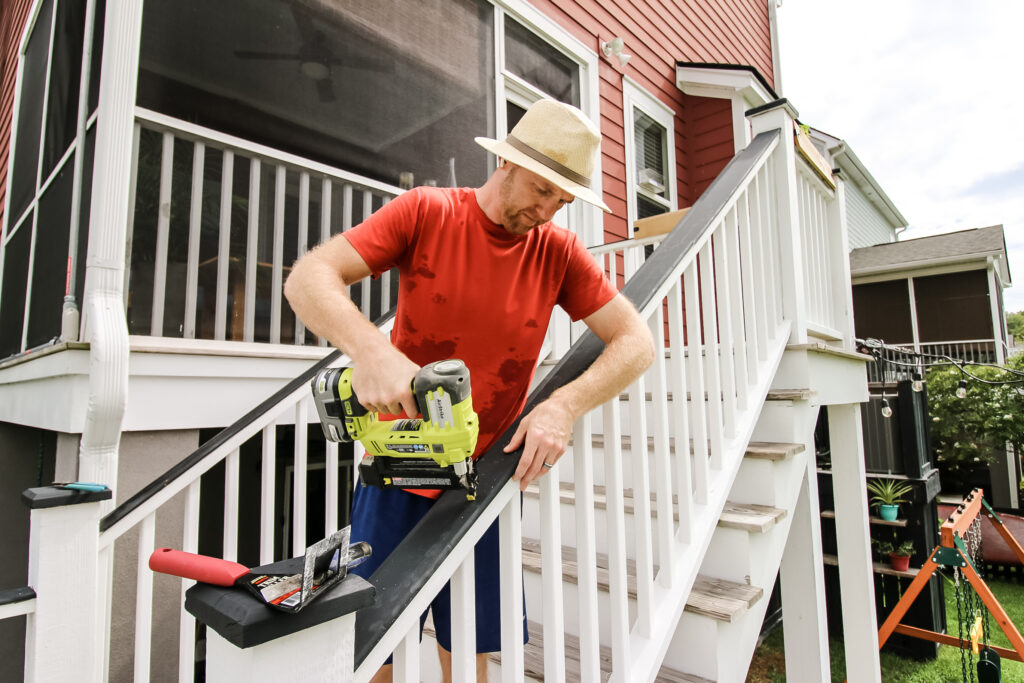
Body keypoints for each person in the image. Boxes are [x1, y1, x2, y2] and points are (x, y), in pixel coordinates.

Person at [284, 98, 654, 682]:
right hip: (397, 464)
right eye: (541, 189)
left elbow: (637, 343)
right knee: (373, 637)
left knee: (471, 645)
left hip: (483, 480)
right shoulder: (426, 212)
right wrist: (375, 352)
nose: (548, 210)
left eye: (562, 199)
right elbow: (309, 277)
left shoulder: (557, 252)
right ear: (506, 164)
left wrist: (564, 405)